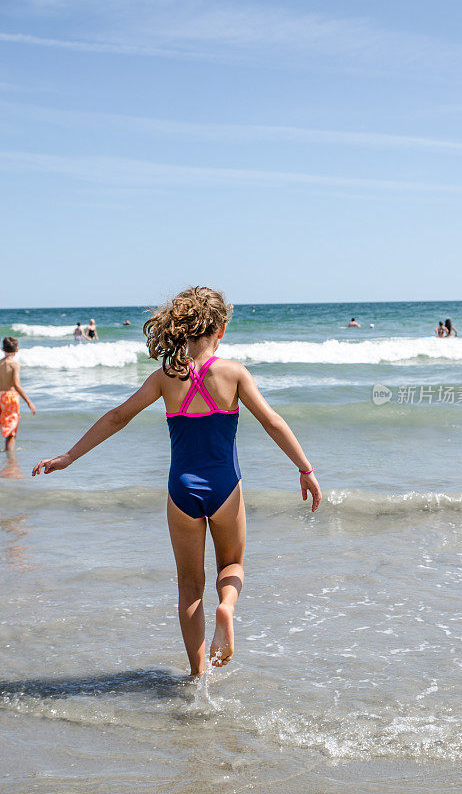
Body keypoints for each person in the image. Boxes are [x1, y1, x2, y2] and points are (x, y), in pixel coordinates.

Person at [32, 286, 322, 677]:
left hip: (181, 490)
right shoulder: (234, 373)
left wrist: (69, 456)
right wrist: (305, 469)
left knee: (189, 586)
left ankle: (197, 674)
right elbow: (272, 421)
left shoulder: (165, 377)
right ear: (219, 330)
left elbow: (118, 416)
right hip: (225, 487)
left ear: (181, 330)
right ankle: (227, 609)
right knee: (232, 564)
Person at [0, 337, 36, 452]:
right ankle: (10, 460)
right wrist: (29, 402)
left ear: (2, 348)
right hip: (10, 398)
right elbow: (16, 384)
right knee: (11, 432)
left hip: (0, 396)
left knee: (4, 427)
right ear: (17, 350)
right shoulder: (14, 365)